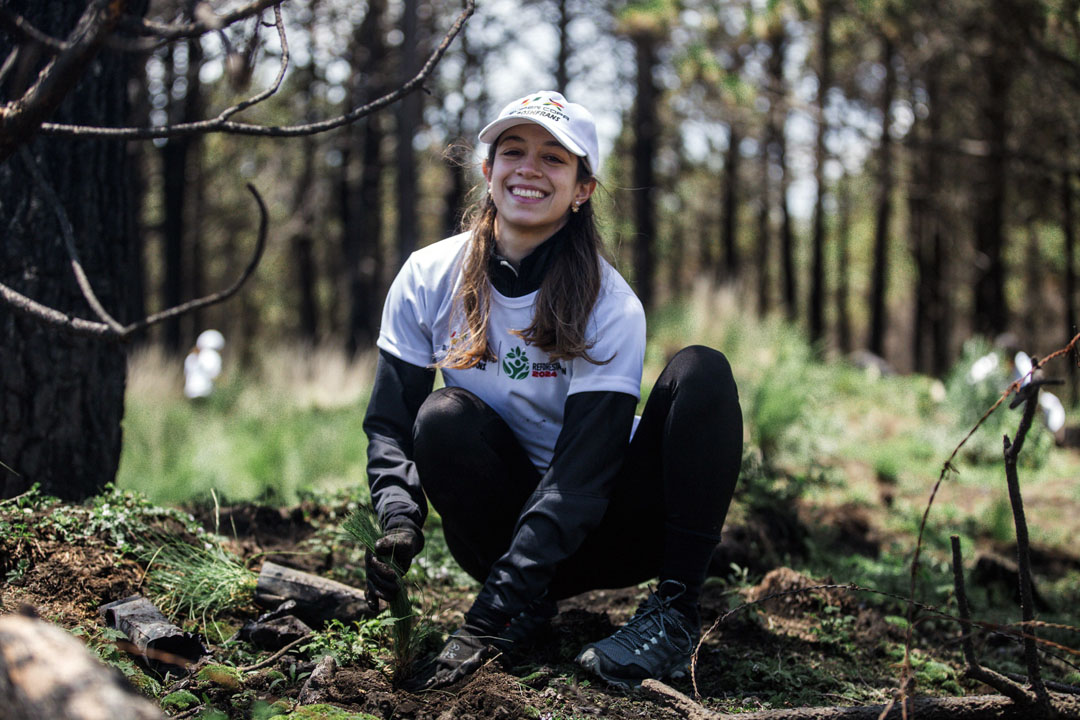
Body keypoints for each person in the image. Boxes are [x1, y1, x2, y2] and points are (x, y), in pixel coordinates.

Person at [362, 90, 742, 691]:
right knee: (440, 417)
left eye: (555, 158)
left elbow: (581, 481)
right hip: (497, 534)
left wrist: (487, 620)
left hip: (607, 528)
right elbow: (389, 423)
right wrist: (399, 516)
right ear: (488, 172)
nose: (529, 169)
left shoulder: (610, 304)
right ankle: (527, 608)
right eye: (514, 151)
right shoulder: (429, 275)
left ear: (582, 189)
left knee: (703, 372)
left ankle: (674, 612)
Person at [184, 329, 225, 400]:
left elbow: (186, 374)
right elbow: (215, 375)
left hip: (190, 392)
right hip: (206, 392)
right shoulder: (213, 356)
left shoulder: (191, 356)